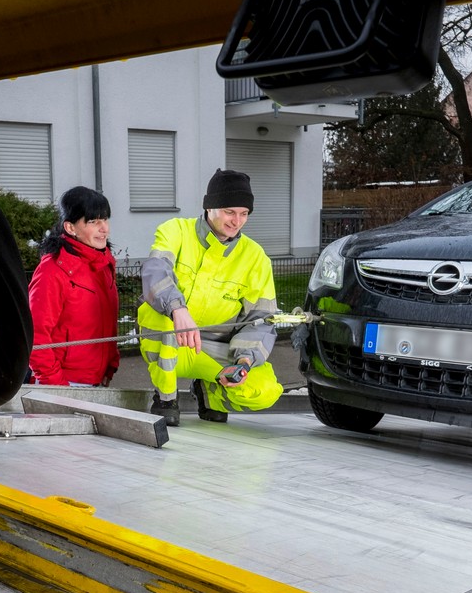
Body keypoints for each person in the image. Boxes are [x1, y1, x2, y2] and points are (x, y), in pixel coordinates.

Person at [138, 168, 283, 426]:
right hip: (173, 342)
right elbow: (155, 271)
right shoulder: (176, 232)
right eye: (230, 212)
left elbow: (260, 318)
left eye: (244, 214)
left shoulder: (256, 257)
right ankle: (166, 399)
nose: (236, 221)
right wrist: (176, 309)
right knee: (155, 316)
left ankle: (210, 393)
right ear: (210, 207)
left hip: (217, 350)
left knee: (265, 392)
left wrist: (244, 360)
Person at [27, 186, 120, 387]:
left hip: (96, 380)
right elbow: (35, 336)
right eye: (94, 222)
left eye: (105, 219)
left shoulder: (103, 264)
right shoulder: (52, 270)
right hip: (66, 384)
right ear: (70, 228)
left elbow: (106, 323)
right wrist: (58, 386)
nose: (104, 229)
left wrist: (110, 365)